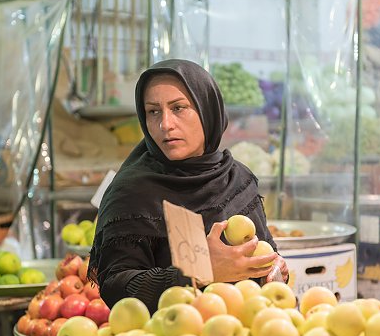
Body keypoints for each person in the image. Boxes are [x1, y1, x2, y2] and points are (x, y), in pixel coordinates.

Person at [88, 59, 288, 313]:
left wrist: (274, 268)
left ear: (207, 109)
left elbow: (263, 252)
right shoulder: (130, 192)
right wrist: (198, 273)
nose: (165, 124)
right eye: (153, 111)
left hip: (246, 333)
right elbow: (116, 288)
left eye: (179, 108)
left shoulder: (237, 178)